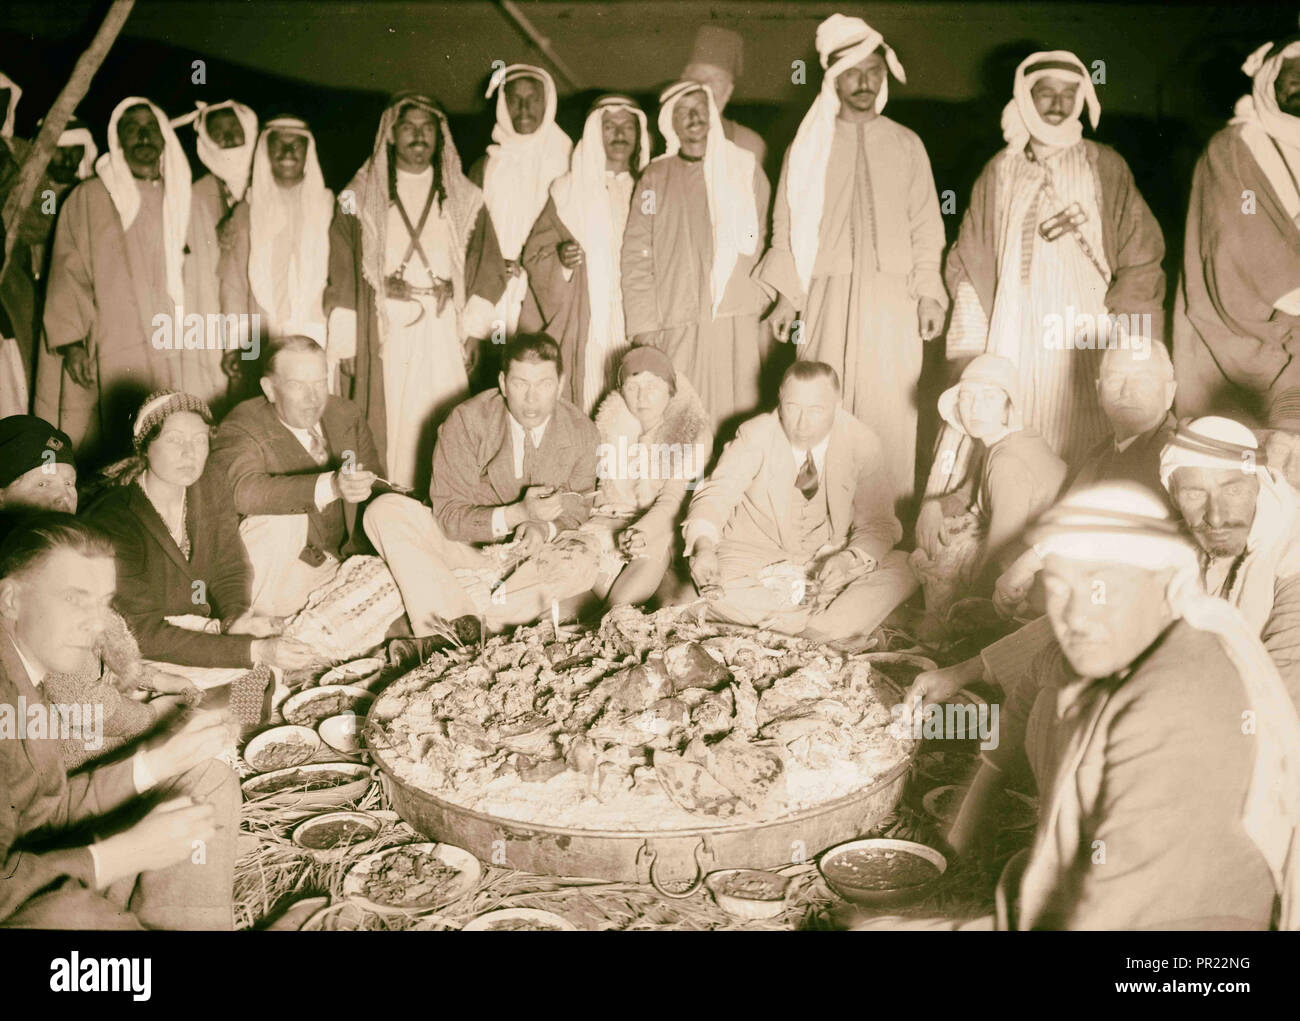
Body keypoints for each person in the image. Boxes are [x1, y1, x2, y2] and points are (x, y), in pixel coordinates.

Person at [875, 483, 1300, 930]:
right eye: (1060, 588)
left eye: (1102, 587)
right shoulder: (1112, 653)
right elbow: (1008, 736)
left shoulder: (1178, 699)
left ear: (1163, 584)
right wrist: (957, 839)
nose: (1076, 613)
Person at [929, 51, 1165, 495]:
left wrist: (1134, 330)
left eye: (1067, 93)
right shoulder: (1000, 169)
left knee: (1083, 416)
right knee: (1018, 415)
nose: (1057, 103)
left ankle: (1082, 512)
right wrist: (971, 323)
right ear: (1024, 97)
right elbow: (970, 253)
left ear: (1081, 99)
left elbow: (1141, 252)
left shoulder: (1104, 163)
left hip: (1085, 321)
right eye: (1045, 94)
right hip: (1013, 317)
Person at [0, 514, 241, 929]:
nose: (96, 624)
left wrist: (158, 762)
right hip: (25, 899)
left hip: (47, 862)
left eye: (103, 602)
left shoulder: (24, 670)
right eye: (74, 599)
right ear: (10, 599)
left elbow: (43, 812)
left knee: (208, 777)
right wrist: (121, 855)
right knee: (72, 915)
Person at [758, 15, 947, 510]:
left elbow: (927, 221)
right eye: (852, 73)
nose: (864, 83)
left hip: (894, 295)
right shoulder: (808, 146)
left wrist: (929, 290)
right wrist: (786, 296)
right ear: (833, 79)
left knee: (890, 409)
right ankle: (812, 519)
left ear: (884, 78)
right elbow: (787, 221)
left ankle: (885, 523)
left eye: (873, 72)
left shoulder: (907, 143)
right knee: (819, 399)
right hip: (826, 291)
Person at [363, 333, 599, 642]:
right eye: (520, 384)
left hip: (527, 562)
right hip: (464, 549)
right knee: (384, 510)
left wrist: (544, 530)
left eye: (543, 384)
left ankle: (453, 622)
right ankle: (473, 626)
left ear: (561, 382)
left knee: (586, 555)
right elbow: (448, 517)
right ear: (502, 382)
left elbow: (578, 508)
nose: (532, 399)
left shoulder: (582, 431)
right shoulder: (466, 421)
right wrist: (518, 513)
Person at [326, 93, 506, 492]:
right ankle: (388, 505)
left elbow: (489, 266)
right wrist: (348, 341)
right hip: (383, 326)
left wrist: (474, 328)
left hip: (444, 326)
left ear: (440, 137)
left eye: (428, 128)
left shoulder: (465, 197)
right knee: (390, 421)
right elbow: (340, 268)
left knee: (442, 415)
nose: (418, 136)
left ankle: (444, 502)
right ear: (390, 134)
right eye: (409, 127)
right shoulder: (357, 196)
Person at [83, 390, 317, 682]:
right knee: (253, 676)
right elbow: (144, 633)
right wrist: (254, 650)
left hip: (200, 627)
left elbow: (228, 565)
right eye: (174, 440)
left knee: (263, 674)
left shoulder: (208, 483)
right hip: (150, 647)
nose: (189, 453)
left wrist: (235, 617)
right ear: (144, 446)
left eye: (199, 440)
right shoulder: (113, 518)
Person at [43, 97, 231, 460]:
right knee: (120, 443)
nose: (143, 136)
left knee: (182, 440)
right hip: (118, 347)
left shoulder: (189, 202)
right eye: (132, 128)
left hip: (183, 346)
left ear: (165, 139)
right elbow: (69, 275)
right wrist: (72, 344)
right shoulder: (89, 198)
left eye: (151, 128)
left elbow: (212, 281)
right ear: (118, 139)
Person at [682, 360, 916, 645]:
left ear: (837, 405)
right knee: (719, 588)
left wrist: (847, 559)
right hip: (752, 558)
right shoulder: (755, 434)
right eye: (792, 407)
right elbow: (716, 494)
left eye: (816, 410)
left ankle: (795, 629)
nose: (802, 424)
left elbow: (878, 524)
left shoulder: (862, 442)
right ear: (780, 399)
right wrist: (704, 547)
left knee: (906, 566)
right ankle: (828, 629)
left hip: (824, 561)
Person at [988, 338, 1178, 614]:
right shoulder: (1101, 452)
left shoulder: (1174, 455)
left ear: (1169, 392)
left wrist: (1031, 562)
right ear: (1099, 390)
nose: (1127, 391)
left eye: (1143, 379)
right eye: (1115, 380)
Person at [622, 80, 770, 432]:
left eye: (700, 108)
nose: (693, 116)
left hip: (737, 316)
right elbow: (636, 253)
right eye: (683, 110)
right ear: (669, 122)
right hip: (676, 315)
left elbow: (764, 235)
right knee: (682, 413)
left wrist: (761, 299)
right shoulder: (654, 178)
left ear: (712, 114)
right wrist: (644, 325)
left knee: (742, 408)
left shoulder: (744, 168)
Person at [1173, 36, 1300, 426]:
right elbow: (1238, 240)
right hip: (1253, 326)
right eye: (1295, 77)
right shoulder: (1234, 147)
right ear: (1268, 79)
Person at [520, 94, 649, 414]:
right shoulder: (567, 191)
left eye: (627, 126)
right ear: (594, 133)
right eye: (609, 126)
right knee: (592, 397)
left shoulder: (650, 188)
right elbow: (537, 254)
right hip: (590, 319)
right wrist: (563, 261)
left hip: (640, 317)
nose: (619, 134)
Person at [911, 354, 1065, 613]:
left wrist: (970, 612)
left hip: (1042, 576)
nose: (975, 409)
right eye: (967, 397)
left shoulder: (1007, 460)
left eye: (989, 397)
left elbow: (1000, 551)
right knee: (942, 534)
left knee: (938, 553)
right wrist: (932, 507)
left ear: (1008, 405)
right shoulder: (999, 438)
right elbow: (966, 495)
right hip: (1028, 553)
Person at [220, 115, 333, 407]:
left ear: (308, 152)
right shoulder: (247, 210)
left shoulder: (329, 205)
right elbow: (233, 285)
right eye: (278, 146)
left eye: (295, 145)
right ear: (265, 153)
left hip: (317, 330)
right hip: (263, 333)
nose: (286, 153)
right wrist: (234, 346)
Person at [589, 346, 712, 606]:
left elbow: (672, 501)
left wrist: (640, 531)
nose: (642, 397)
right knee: (575, 577)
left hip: (663, 527)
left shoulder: (690, 433)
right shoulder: (610, 428)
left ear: (670, 389)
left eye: (652, 386)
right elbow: (597, 494)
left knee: (619, 603)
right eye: (633, 387)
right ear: (622, 391)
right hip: (610, 524)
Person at [470, 64, 572, 340]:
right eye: (514, 99)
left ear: (548, 102)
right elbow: (469, 233)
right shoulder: (486, 166)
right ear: (503, 104)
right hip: (494, 290)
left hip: (549, 291)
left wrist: (539, 264)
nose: (524, 108)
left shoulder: (570, 162)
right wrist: (492, 264)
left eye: (533, 99)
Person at [682, 25, 766, 166]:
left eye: (717, 79)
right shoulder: (652, 138)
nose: (705, 85)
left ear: (728, 91)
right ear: (683, 80)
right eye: (699, 75)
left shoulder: (748, 144)